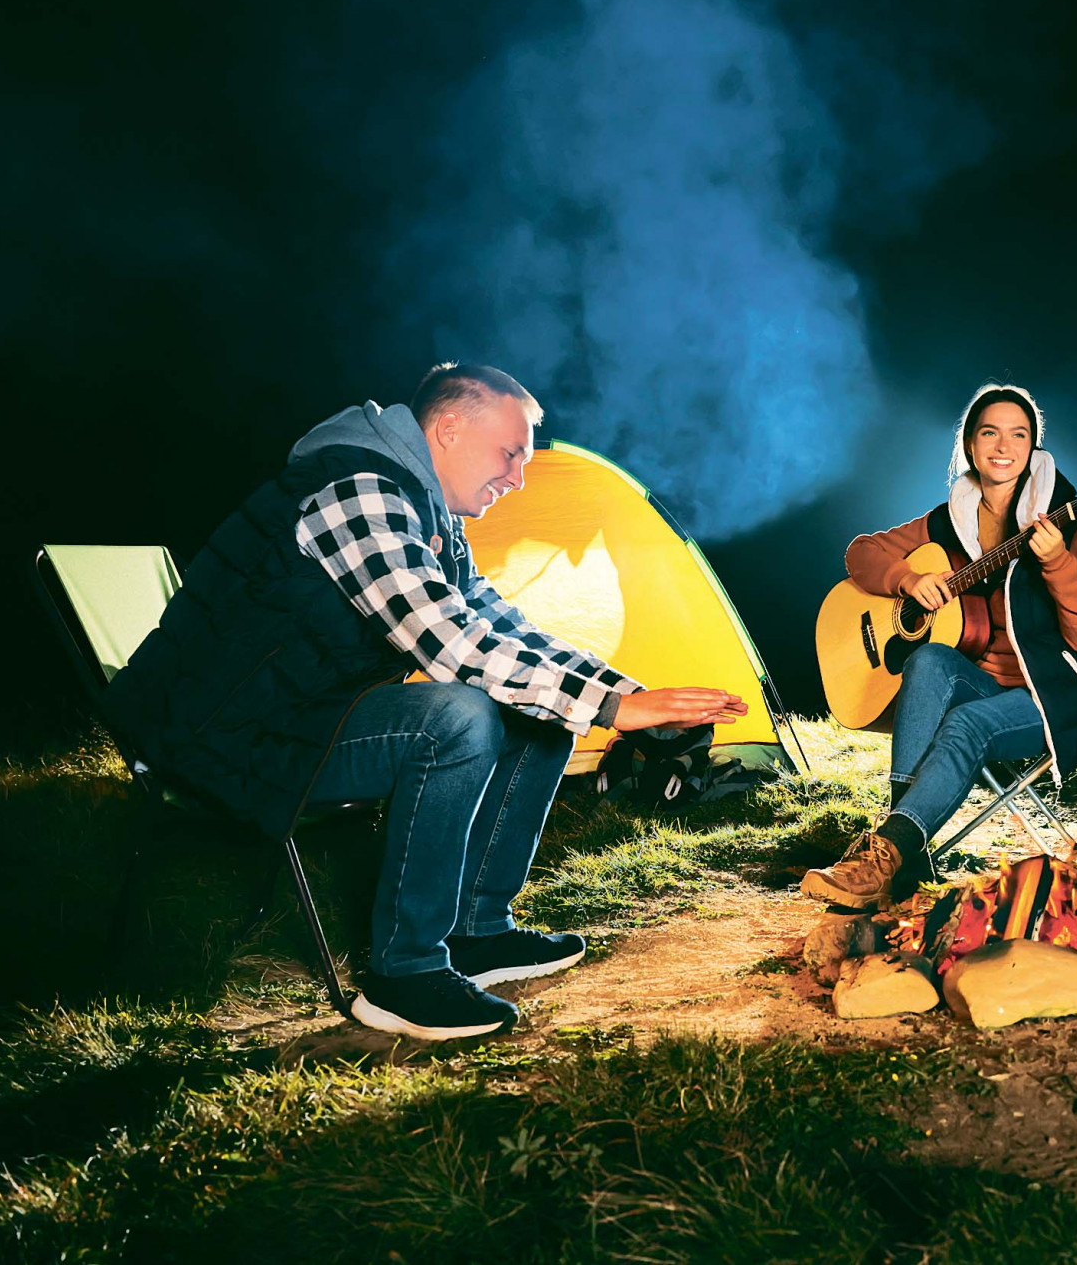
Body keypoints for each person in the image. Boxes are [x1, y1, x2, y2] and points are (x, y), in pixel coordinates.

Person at [104, 364, 747, 1040]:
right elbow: (450, 643)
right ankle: (403, 975)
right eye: (509, 454)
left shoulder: (427, 514)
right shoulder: (355, 491)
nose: (517, 478)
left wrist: (624, 693)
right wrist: (613, 710)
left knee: (541, 710)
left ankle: (477, 931)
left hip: (301, 715)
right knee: (456, 716)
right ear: (449, 428)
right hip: (218, 733)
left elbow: (502, 627)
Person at [799, 384, 1077, 909]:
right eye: (990, 432)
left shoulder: (1069, 518)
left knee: (966, 723)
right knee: (927, 658)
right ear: (970, 444)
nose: (1003, 446)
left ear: (1033, 447)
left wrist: (1057, 562)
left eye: (1019, 434)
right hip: (986, 685)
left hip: (1058, 696)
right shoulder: (952, 519)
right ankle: (901, 856)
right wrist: (905, 579)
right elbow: (862, 552)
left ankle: (887, 855)